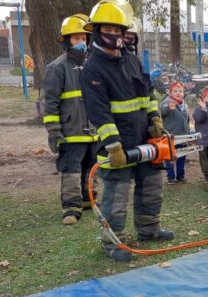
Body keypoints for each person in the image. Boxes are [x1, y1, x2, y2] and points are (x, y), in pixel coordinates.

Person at [80, 2, 174, 262]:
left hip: (144, 140)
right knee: (116, 196)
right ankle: (113, 243)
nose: (114, 34)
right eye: (108, 28)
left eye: (118, 29)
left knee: (152, 187)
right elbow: (99, 113)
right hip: (116, 147)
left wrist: (155, 118)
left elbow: (147, 93)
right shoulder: (92, 70)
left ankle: (149, 229)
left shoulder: (131, 59)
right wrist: (114, 146)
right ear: (97, 31)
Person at [42, 14, 95, 226]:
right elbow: (51, 103)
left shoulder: (93, 65)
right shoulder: (57, 67)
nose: (81, 42)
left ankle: (88, 199)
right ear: (67, 40)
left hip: (93, 130)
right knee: (71, 169)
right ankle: (71, 208)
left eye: (83, 38)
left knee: (91, 167)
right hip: (71, 130)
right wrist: (54, 131)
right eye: (75, 38)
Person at [160, 82, 189, 184]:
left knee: (182, 156)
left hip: (183, 136)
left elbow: (187, 120)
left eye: (180, 91)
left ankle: (180, 176)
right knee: (169, 158)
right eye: (175, 91)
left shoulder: (184, 104)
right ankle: (171, 177)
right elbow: (162, 111)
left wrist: (188, 133)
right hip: (170, 136)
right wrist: (168, 108)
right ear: (170, 92)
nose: (178, 93)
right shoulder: (166, 102)